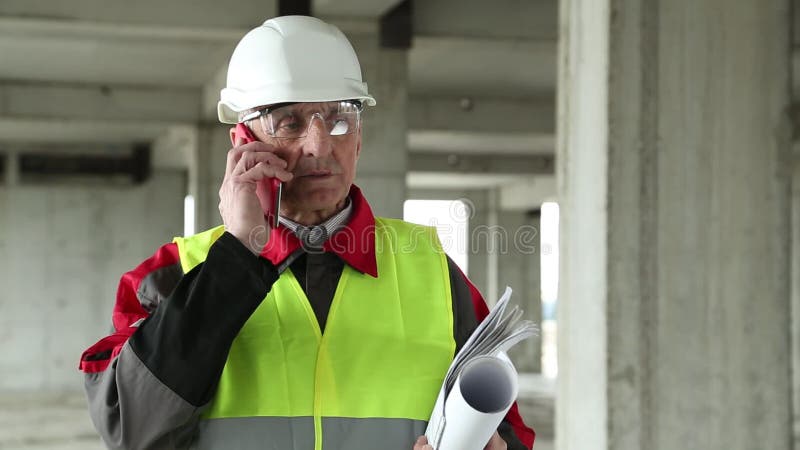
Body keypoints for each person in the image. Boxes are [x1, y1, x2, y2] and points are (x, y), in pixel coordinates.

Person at [79, 15, 535, 450]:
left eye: (339, 118)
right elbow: (130, 429)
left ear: (359, 136)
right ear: (243, 144)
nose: (319, 145)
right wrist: (237, 256)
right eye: (289, 122)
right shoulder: (174, 274)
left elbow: (507, 431)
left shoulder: (432, 272)